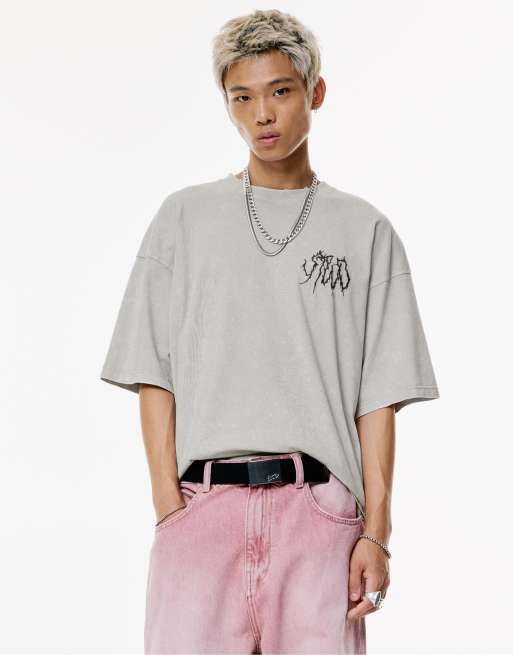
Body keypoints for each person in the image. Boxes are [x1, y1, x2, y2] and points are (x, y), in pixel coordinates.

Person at [100, 8, 440, 654]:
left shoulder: (365, 231)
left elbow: (378, 397)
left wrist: (376, 532)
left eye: (280, 91)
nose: (262, 114)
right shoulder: (183, 220)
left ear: (315, 92)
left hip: (319, 513)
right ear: (227, 104)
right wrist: (169, 506)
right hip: (203, 509)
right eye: (242, 97)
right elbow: (153, 373)